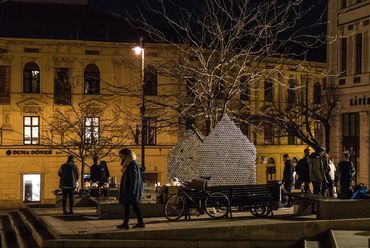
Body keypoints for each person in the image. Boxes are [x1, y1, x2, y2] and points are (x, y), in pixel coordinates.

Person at [117, 148, 145, 229]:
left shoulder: (132, 164)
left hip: (130, 190)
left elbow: (134, 178)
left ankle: (139, 222)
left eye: (121, 156)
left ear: (126, 156)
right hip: (129, 189)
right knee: (129, 206)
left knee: (133, 206)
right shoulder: (130, 164)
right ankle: (127, 223)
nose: (120, 158)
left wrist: (132, 191)